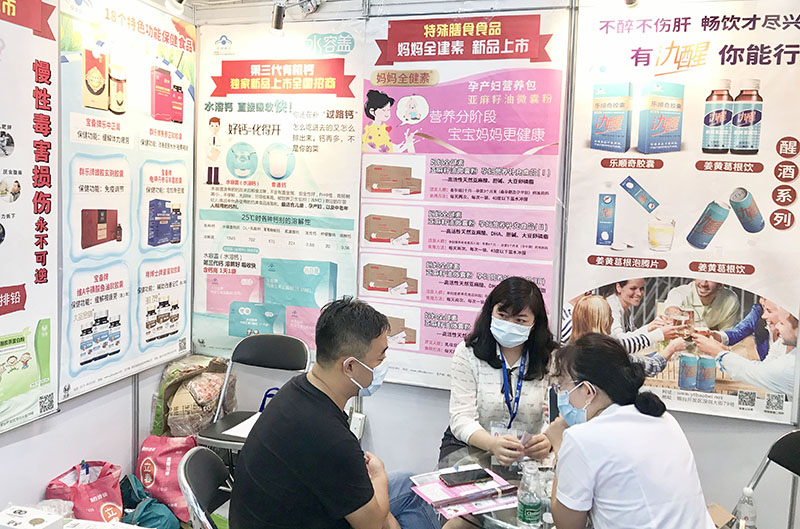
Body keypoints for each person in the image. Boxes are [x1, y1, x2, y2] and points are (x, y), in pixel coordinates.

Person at [230, 297, 439, 529]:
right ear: (349, 366)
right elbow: (370, 525)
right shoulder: (329, 437)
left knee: (409, 485)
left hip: (278, 513)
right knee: (400, 508)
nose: (382, 365)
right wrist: (379, 475)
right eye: (380, 358)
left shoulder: (298, 389)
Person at [545, 333, 715, 529]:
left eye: (561, 386)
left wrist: (559, 447)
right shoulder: (663, 418)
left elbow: (568, 525)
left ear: (587, 391)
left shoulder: (582, 439)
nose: (560, 394)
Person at [441, 277, 557, 466]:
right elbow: (461, 417)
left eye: (520, 320)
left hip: (529, 455)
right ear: (490, 312)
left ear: (535, 323)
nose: (510, 324)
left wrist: (548, 440)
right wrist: (492, 444)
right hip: (473, 447)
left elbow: (556, 416)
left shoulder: (552, 358)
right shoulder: (467, 352)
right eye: (502, 316)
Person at [569, 295, 685, 375]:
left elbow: (624, 344)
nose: (612, 319)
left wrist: (651, 329)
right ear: (602, 321)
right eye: (609, 315)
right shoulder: (608, 353)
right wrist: (672, 348)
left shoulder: (570, 351)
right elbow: (652, 366)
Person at [694, 310, 797, 397]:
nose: (777, 326)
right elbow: (764, 366)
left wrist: (719, 352)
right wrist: (721, 351)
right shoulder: (782, 344)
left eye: (782, 323)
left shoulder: (790, 367)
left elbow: (756, 372)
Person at [602, 279, 678, 343]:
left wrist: (651, 327)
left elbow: (632, 334)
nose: (639, 293)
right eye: (633, 288)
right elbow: (621, 342)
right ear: (618, 287)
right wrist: (657, 333)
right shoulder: (611, 307)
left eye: (641, 288)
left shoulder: (625, 307)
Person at [664, 280, 740, 331]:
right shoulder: (680, 292)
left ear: (720, 284)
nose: (703, 284)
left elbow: (726, 333)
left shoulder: (730, 300)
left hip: (708, 344)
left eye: (710, 279)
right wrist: (675, 315)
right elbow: (672, 310)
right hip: (677, 342)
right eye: (700, 276)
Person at [206, 117, 222, 185]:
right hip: (210, 154)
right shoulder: (209, 137)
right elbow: (207, 145)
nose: (214, 128)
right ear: (209, 126)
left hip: (216, 155)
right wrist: (210, 149)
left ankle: (216, 181)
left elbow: (220, 145)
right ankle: (209, 180)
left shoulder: (218, 138)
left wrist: (216, 149)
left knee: (216, 167)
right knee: (210, 167)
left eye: (216, 126)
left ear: (219, 126)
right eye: (212, 126)